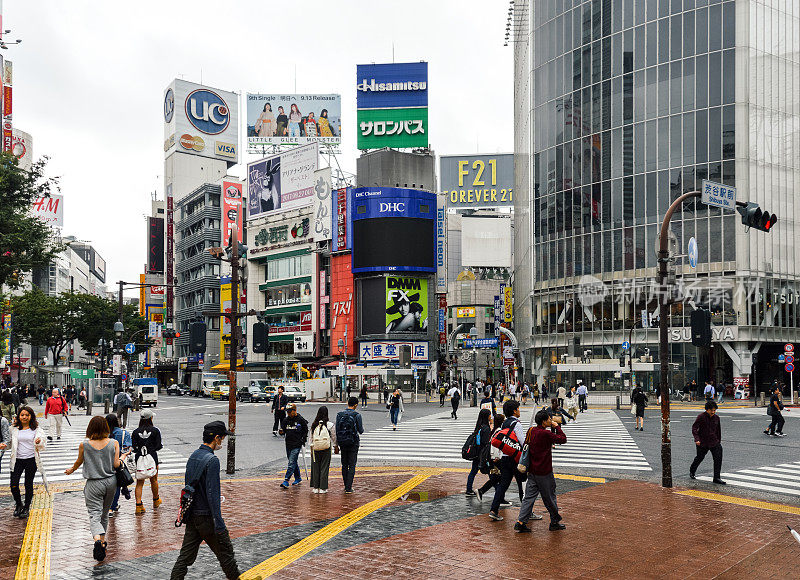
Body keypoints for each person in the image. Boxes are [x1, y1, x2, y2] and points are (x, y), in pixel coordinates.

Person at [170, 421, 240, 580]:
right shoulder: (212, 461)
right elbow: (212, 495)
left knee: (185, 558)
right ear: (216, 438)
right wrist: (219, 524)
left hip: (192, 516)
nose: (221, 442)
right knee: (226, 554)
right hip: (207, 518)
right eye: (221, 438)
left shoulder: (193, 456)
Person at [64, 415, 129, 561]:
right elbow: (117, 464)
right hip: (110, 482)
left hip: (93, 483)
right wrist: (123, 457)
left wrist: (71, 470)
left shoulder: (84, 445)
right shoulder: (114, 443)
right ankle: (103, 540)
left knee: (94, 514)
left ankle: (97, 541)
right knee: (104, 513)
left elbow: (79, 461)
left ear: (90, 428)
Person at [515, 409, 567, 532]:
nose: (551, 420)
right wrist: (557, 427)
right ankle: (554, 521)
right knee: (550, 497)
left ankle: (521, 521)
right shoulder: (545, 434)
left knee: (528, 497)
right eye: (549, 419)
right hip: (544, 471)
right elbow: (562, 439)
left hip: (532, 470)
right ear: (544, 422)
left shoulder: (531, 430)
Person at [488, 400, 527, 522]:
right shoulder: (517, 424)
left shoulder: (505, 423)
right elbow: (522, 442)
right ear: (515, 411)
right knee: (522, 484)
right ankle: (527, 512)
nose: (519, 411)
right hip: (516, 458)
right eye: (518, 409)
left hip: (505, 457)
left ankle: (494, 510)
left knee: (503, 485)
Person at [7, 406, 46, 518]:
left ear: (31, 416)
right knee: (13, 484)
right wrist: (4, 445)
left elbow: (42, 442)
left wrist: (39, 441)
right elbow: (9, 443)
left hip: (31, 460)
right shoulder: (13, 429)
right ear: (19, 416)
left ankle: (26, 507)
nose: (24, 417)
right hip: (17, 460)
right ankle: (19, 504)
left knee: (28, 484)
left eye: (27, 415)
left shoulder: (36, 429)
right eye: (22, 415)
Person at [132, 409, 163, 514]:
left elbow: (134, 447)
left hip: (139, 458)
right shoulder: (155, 430)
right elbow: (158, 446)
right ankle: (155, 500)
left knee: (139, 482)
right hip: (152, 457)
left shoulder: (135, 432)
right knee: (153, 480)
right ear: (150, 418)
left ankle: (138, 505)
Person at [689, 400, 725, 484]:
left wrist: (718, 441)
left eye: (714, 410)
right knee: (700, 457)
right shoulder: (701, 417)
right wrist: (697, 439)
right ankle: (692, 470)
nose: (713, 412)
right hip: (702, 442)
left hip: (714, 442)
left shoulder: (717, 418)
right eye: (711, 410)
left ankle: (716, 477)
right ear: (707, 410)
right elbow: (694, 428)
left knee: (718, 459)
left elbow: (718, 430)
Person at [335, 397, 364, 493]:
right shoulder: (357, 415)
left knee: (344, 464)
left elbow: (336, 430)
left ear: (347, 403)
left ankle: (345, 485)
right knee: (352, 465)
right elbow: (361, 431)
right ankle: (348, 487)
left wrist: (337, 443)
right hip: (353, 442)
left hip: (342, 442)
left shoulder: (339, 415)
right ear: (355, 405)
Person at [106, 413, 132, 516]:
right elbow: (128, 449)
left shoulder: (103, 434)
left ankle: (106, 506)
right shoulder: (124, 434)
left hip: (105, 462)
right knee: (116, 485)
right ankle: (111, 508)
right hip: (119, 462)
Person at [279, 403, 308, 488]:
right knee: (293, 462)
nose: (288, 413)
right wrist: (281, 432)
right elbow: (282, 430)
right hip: (288, 444)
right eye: (287, 412)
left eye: (289, 411)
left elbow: (306, 430)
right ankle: (298, 478)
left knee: (291, 462)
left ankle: (286, 480)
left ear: (295, 411)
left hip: (297, 444)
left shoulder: (300, 419)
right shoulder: (286, 420)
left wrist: (303, 439)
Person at [466, 409, 493, 496]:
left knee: (473, 471)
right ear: (487, 416)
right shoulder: (486, 428)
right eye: (490, 415)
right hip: (482, 455)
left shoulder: (479, 426)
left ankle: (469, 489)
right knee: (491, 473)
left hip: (477, 453)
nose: (491, 416)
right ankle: (499, 493)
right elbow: (485, 443)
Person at [309, 406, 336, 494]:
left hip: (315, 448)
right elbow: (334, 437)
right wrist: (336, 446)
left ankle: (315, 487)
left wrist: (311, 449)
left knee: (315, 467)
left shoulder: (314, 424)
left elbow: (310, 438)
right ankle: (323, 488)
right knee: (324, 467)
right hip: (326, 448)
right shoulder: (330, 425)